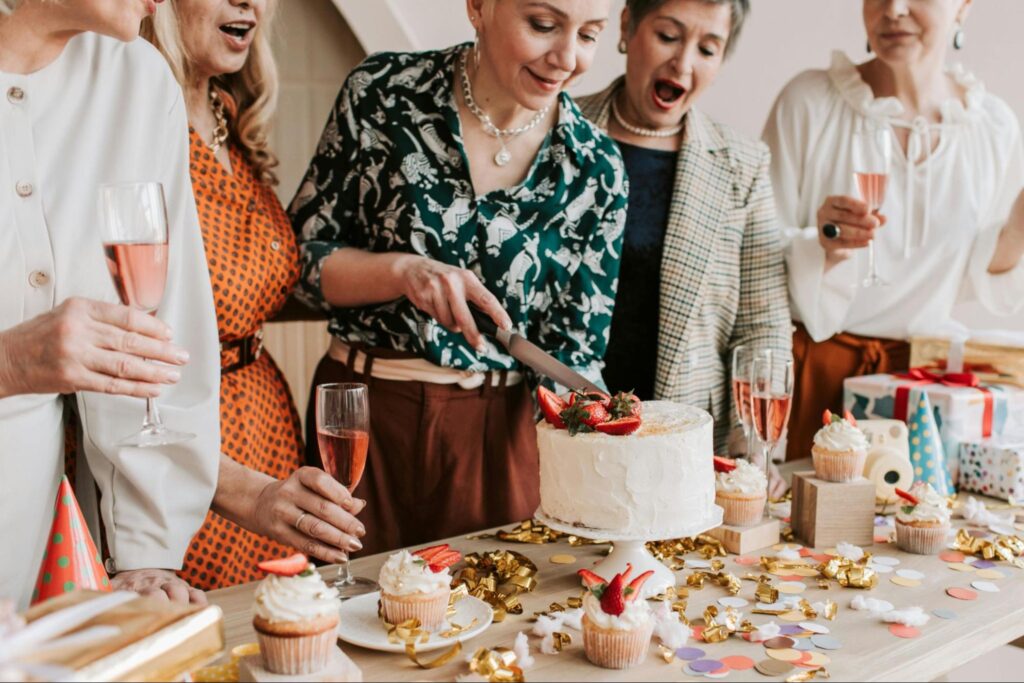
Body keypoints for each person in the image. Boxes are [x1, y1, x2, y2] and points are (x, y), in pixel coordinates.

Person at [290, 0, 627, 555]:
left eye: (589, 35)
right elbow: (299, 265)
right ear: (478, 7)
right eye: (543, 25)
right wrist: (403, 272)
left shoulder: (597, 169)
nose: (567, 58)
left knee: (492, 631)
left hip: (500, 441)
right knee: (347, 619)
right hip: (364, 420)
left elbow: (577, 361)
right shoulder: (381, 93)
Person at [0, 0, 220, 607]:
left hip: (35, 547)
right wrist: (11, 363)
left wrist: (146, 551)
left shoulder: (137, 81)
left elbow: (158, 330)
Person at [142, 0, 366, 590]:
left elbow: (249, 286)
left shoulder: (224, 112)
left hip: (266, 424)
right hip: (181, 436)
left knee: (282, 630)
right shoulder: (133, 121)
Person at [764, 0, 1024, 461]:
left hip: (926, 384)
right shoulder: (810, 101)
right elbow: (757, 253)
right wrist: (827, 247)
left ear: (963, 7)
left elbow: (977, 277)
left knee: (919, 524)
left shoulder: (993, 126)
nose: (894, 9)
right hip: (819, 370)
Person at [577, 0, 790, 493]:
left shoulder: (743, 163)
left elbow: (762, 326)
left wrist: (755, 444)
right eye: (669, 36)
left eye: (707, 48)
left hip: (686, 447)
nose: (683, 64)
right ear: (627, 25)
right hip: (563, 432)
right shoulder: (557, 129)